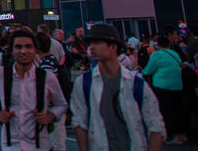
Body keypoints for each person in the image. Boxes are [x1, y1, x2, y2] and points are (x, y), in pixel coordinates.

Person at [70, 23, 165, 151]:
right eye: (90, 43)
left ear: (113, 46)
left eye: (97, 43)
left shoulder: (136, 84)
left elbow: (156, 125)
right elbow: (79, 122)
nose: (91, 48)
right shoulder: (83, 83)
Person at [0, 28, 67, 151]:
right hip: (12, 144)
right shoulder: (1, 74)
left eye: (28, 47)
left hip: (40, 144)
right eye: (18, 47)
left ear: (35, 50)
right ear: (12, 50)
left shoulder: (47, 77)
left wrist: (49, 117)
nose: (24, 51)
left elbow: (61, 104)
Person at [143, 34, 187, 144]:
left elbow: (148, 71)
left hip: (162, 85)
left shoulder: (156, 54)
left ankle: (174, 137)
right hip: (177, 84)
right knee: (178, 110)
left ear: (157, 45)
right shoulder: (175, 54)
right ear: (168, 44)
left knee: (167, 112)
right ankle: (183, 135)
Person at [35, 31, 67, 151]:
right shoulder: (52, 61)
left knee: (55, 143)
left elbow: (46, 90)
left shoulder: (46, 65)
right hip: (54, 110)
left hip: (51, 111)